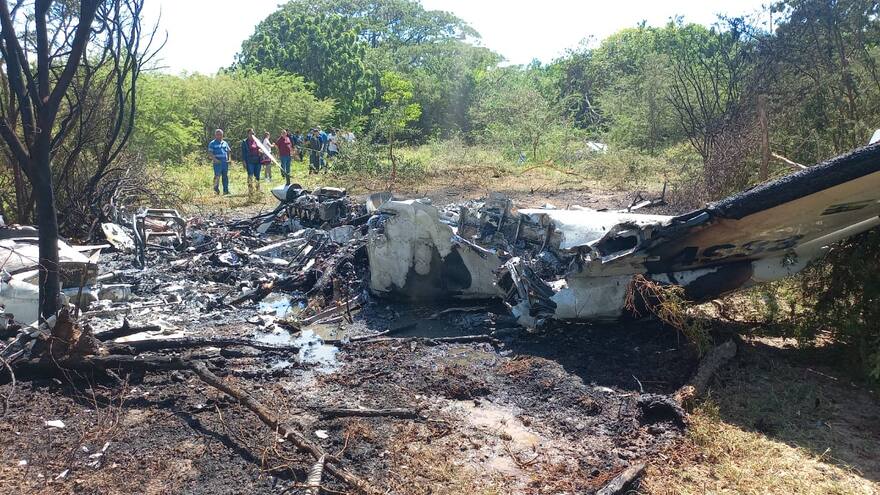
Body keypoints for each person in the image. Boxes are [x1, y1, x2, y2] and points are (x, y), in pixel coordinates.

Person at [207, 129, 231, 195]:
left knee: (225, 177)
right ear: (215, 135)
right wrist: (215, 159)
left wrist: (229, 159)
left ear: (222, 135)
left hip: (225, 162)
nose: (219, 136)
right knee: (217, 176)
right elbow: (210, 153)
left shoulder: (225, 143)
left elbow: (229, 151)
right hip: (217, 163)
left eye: (220, 134)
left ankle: (226, 191)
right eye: (217, 134)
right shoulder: (212, 143)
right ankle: (216, 191)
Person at [241, 128, 262, 194]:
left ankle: (258, 189)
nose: (252, 134)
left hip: (258, 160)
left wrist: (260, 151)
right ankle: (250, 190)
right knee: (250, 175)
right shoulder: (245, 142)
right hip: (249, 161)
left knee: (257, 176)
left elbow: (261, 149)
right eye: (250, 133)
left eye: (253, 133)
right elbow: (243, 153)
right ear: (248, 134)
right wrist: (244, 162)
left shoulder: (257, 141)